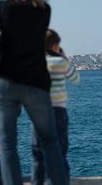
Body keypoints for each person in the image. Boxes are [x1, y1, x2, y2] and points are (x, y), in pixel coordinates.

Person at [0, 0, 67, 185]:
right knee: (49, 141)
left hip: (4, 82)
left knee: (8, 144)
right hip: (35, 82)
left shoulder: (2, 7)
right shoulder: (44, 10)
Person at [32, 29, 80, 185]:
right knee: (61, 151)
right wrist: (63, 56)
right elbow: (76, 78)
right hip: (59, 110)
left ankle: (37, 182)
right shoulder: (61, 62)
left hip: (39, 111)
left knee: (38, 153)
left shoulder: (36, 62)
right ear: (55, 45)